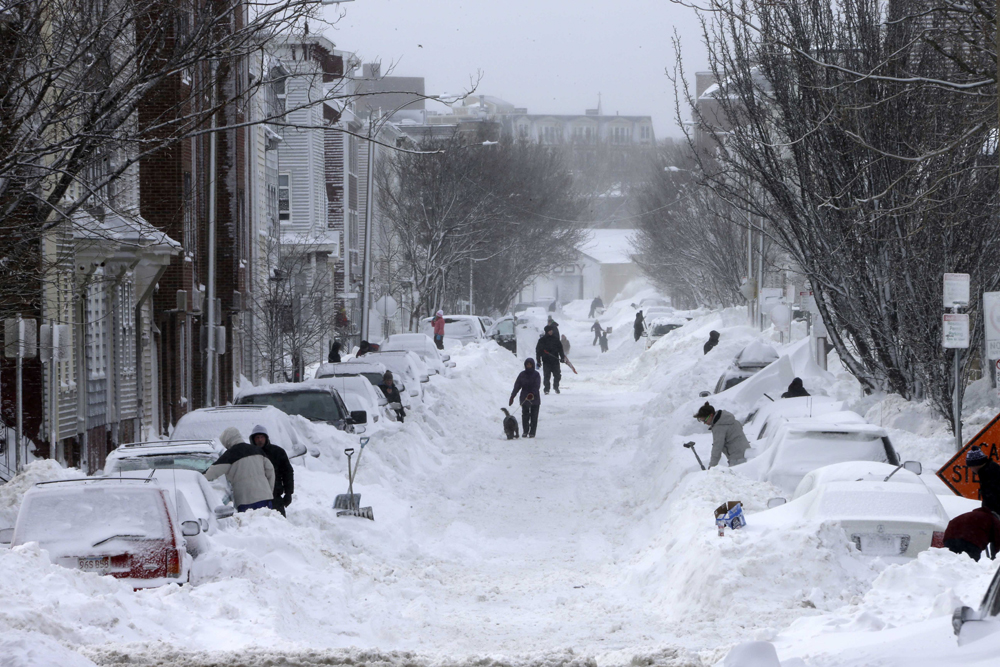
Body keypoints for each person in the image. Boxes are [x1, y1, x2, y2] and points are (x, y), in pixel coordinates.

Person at [205, 427, 275, 512]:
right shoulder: (257, 450)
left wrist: (196, 478)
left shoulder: (230, 454)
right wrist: (269, 490)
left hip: (245, 500)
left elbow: (212, 472)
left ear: (227, 441)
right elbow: (270, 471)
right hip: (265, 497)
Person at [251, 424, 294, 517]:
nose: (260, 440)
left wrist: (288, 493)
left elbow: (287, 473)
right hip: (255, 498)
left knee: (279, 525)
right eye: (257, 437)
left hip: (275, 496)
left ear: (266, 438)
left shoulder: (277, 452)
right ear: (253, 439)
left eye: (262, 437)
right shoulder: (249, 454)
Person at [693, 402, 749, 468]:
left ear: (711, 415)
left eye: (705, 420)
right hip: (747, 454)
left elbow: (717, 447)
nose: (705, 423)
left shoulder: (719, 427)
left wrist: (712, 466)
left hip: (737, 459)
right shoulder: (728, 419)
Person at [509, 358, 541, 437]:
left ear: (533, 365)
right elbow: (517, 386)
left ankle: (532, 432)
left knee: (534, 416)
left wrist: (532, 393)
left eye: (530, 364)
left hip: (535, 398)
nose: (529, 366)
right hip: (524, 397)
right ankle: (525, 431)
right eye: (527, 364)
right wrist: (512, 396)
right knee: (525, 415)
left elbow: (537, 386)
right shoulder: (522, 375)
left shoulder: (536, 375)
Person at [967, 446, 1000, 515]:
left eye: (970, 466)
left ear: (975, 464)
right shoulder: (988, 469)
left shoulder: (989, 474)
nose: (971, 469)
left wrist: (991, 514)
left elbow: (992, 499)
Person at [535, 325, 566, 395]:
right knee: (546, 376)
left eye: (552, 330)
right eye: (550, 330)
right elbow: (538, 351)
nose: (551, 332)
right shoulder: (542, 340)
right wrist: (538, 361)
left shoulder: (556, 339)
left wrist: (562, 358)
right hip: (546, 361)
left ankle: (556, 387)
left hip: (555, 361)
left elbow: (560, 349)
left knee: (557, 375)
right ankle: (546, 389)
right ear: (546, 331)